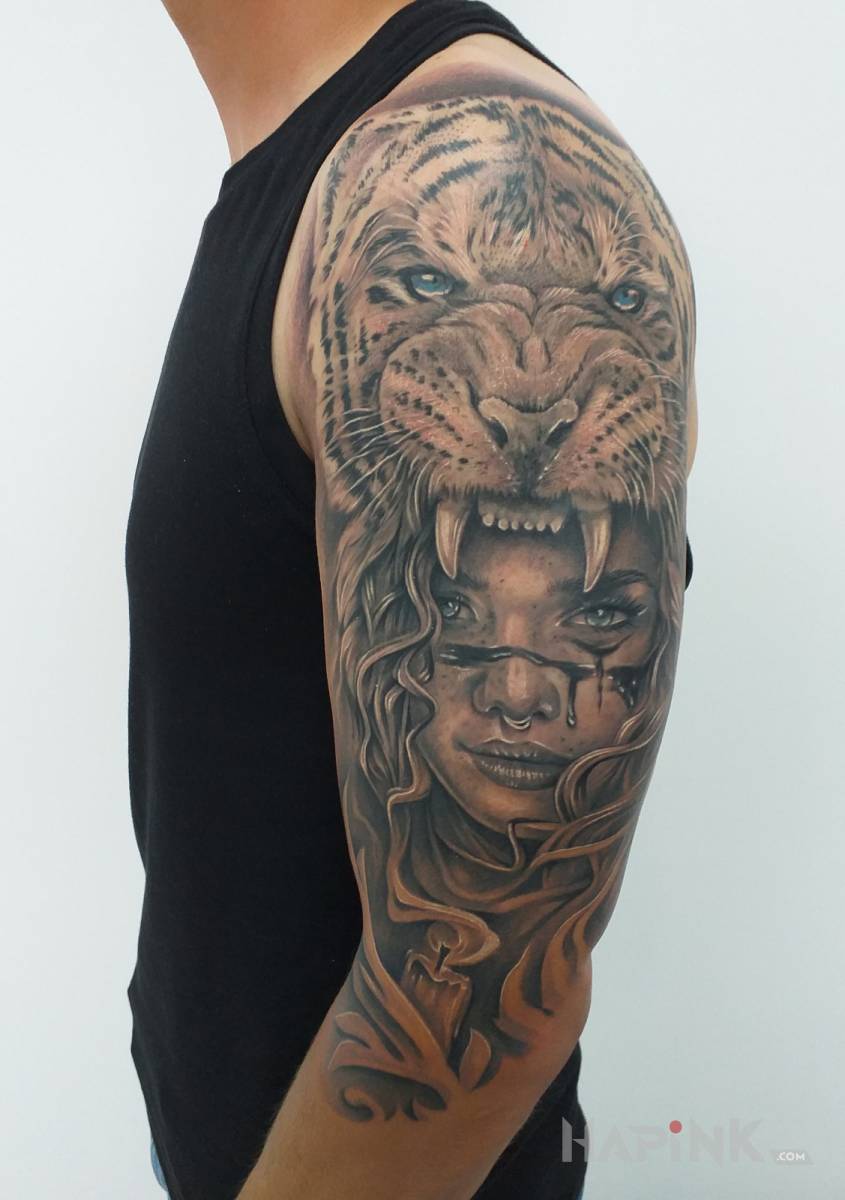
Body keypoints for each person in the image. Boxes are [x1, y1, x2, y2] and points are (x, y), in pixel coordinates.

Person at [126, 2, 697, 1198]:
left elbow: (480, 998)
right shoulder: (322, 163)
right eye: (428, 280)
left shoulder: (475, 157)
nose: (527, 390)